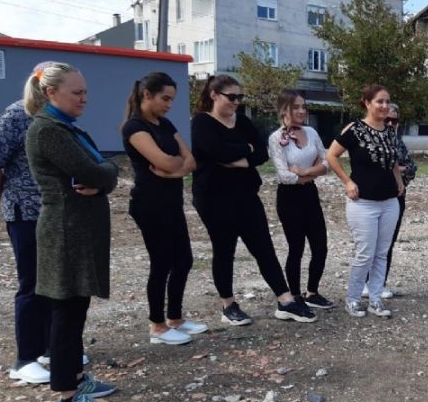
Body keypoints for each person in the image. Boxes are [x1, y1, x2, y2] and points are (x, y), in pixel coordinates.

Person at [24, 62, 120, 402]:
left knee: (76, 307)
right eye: (76, 92)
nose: (84, 99)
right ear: (51, 93)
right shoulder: (48, 131)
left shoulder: (66, 128)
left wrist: (105, 175)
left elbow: (104, 169)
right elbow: (100, 170)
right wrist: (106, 176)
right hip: (65, 233)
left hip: (76, 231)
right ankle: (67, 398)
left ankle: (77, 378)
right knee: (65, 311)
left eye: (85, 92)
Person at [191, 75, 315, 325]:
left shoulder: (243, 121)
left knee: (263, 247)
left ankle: (285, 300)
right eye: (231, 97)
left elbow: (261, 152)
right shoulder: (201, 123)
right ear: (214, 95)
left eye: (240, 97)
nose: (236, 102)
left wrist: (243, 155)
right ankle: (228, 305)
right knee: (224, 249)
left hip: (246, 194)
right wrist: (244, 149)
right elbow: (217, 152)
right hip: (214, 197)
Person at [0, 62, 55, 384]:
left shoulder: (55, 117)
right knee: (32, 285)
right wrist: (7, 198)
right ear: (47, 86)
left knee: (55, 284)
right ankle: (25, 358)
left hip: (54, 213)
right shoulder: (17, 115)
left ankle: (53, 348)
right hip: (25, 214)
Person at [122, 72, 206, 345]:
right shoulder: (134, 128)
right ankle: (157, 326)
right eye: (165, 98)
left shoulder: (165, 123)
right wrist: (174, 167)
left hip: (172, 202)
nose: (169, 104)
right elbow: (170, 161)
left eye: (172, 99)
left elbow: (189, 161)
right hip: (149, 204)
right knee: (162, 263)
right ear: (147, 95)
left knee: (183, 260)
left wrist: (172, 172)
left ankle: (175, 319)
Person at [326, 85, 403, 318]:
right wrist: (347, 182)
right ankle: (353, 299)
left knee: (382, 252)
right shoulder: (355, 129)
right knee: (365, 253)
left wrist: (399, 181)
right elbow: (331, 156)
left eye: (387, 101)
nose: (384, 106)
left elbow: (392, 161)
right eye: (379, 101)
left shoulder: (390, 131)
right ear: (367, 103)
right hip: (363, 203)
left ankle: (376, 299)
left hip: (389, 201)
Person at [269, 90, 333, 309]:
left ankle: (312, 292)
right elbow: (284, 176)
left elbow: (327, 163)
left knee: (320, 246)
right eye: (295, 107)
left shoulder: (311, 132)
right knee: (296, 247)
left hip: (309, 193)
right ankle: (295, 295)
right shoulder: (276, 138)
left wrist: (306, 172)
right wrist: (313, 172)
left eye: (303, 107)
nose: (301, 111)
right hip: (289, 197)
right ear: (284, 110)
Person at [364, 102, 416, 299]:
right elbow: (372, 169)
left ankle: (378, 284)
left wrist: (398, 171)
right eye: (387, 120)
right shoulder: (369, 139)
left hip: (396, 198)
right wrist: (397, 169)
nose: (391, 124)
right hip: (371, 198)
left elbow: (411, 169)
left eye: (395, 120)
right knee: (369, 243)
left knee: (387, 244)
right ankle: (363, 284)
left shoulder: (398, 141)